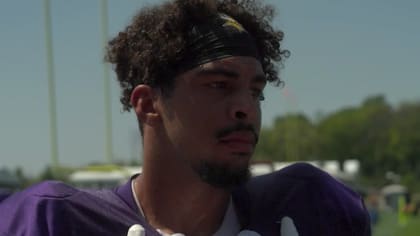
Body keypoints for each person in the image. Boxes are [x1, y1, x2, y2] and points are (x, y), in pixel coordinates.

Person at [0, 0, 371, 235]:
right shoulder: (54, 221)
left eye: (255, 91)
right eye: (218, 86)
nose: (247, 108)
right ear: (148, 104)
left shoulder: (310, 209)